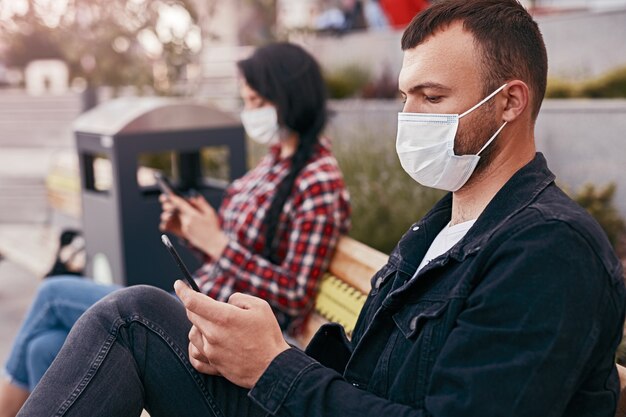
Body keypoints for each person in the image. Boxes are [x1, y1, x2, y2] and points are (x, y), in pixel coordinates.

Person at [18, 1, 626, 416]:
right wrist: (242, 354)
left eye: (432, 96)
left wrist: (273, 366)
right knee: (129, 322)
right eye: (405, 95)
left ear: (510, 102)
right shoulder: (439, 226)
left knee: (127, 321)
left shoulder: (551, 248)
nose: (409, 116)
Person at [1, 42, 350, 417]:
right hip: (203, 307)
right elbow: (235, 255)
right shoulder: (273, 164)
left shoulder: (318, 179)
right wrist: (192, 231)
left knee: (54, 294)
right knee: (44, 347)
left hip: (225, 331)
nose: (249, 112)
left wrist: (217, 243)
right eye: (246, 101)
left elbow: (295, 294)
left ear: (289, 98)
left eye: (256, 101)